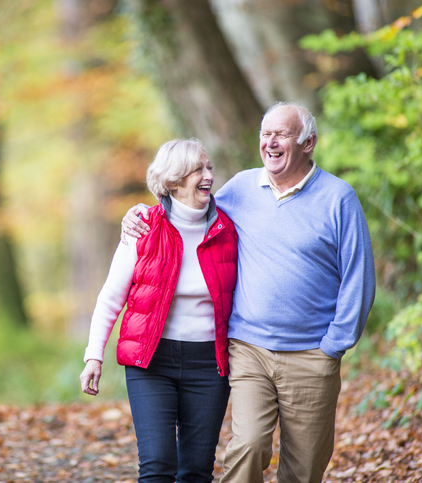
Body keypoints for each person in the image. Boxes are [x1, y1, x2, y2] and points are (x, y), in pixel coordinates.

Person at [121, 102, 376, 483]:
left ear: (309, 143)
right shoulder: (240, 188)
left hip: (311, 354)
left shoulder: (338, 199)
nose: (270, 143)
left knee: (304, 467)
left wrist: (334, 346)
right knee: (249, 447)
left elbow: (359, 277)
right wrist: (142, 213)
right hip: (248, 348)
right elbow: (188, 211)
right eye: (265, 134)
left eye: (282, 134)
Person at [80, 138, 238, 483]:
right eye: (198, 169)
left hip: (209, 365)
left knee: (196, 469)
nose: (208, 174)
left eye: (209, 166)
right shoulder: (143, 227)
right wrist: (94, 356)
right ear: (173, 181)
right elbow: (110, 298)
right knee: (157, 464)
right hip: (152, 363)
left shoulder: (229, 228)